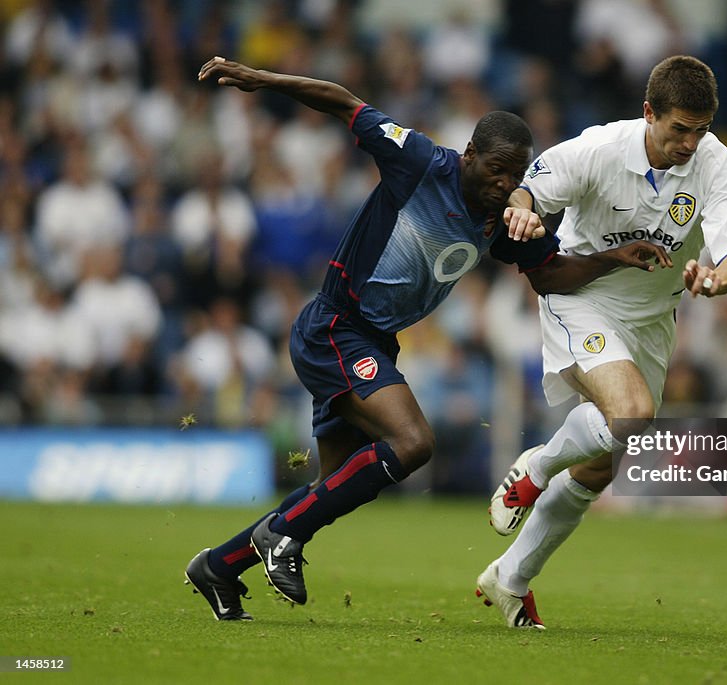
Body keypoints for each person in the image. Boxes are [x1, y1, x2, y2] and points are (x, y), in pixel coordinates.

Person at [183, 56, 672, 621]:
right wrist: (259, 79)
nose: (505, 185)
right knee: (415, 442)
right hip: (335, 327)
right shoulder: (418, 161)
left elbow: (550, 274)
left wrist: (612, 258)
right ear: (469, 156)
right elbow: (343, 100)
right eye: (495, 171)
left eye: (515, 177)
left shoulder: (499, 220)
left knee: (330, 488)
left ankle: (219, 566)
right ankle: (279, 538)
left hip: (373, 341)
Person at [479, 55, 727, 629]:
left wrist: (713, 278)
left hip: (653, 319)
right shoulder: (600, 150)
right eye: (679, 128)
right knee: (632, 414)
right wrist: (525, 217)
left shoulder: (718, 166)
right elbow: (529, 191)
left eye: (700, 130)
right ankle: (538, 466)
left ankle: (510, 579)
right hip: (581, 297)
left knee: (602, 467)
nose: (689, 142)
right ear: (649, 112)